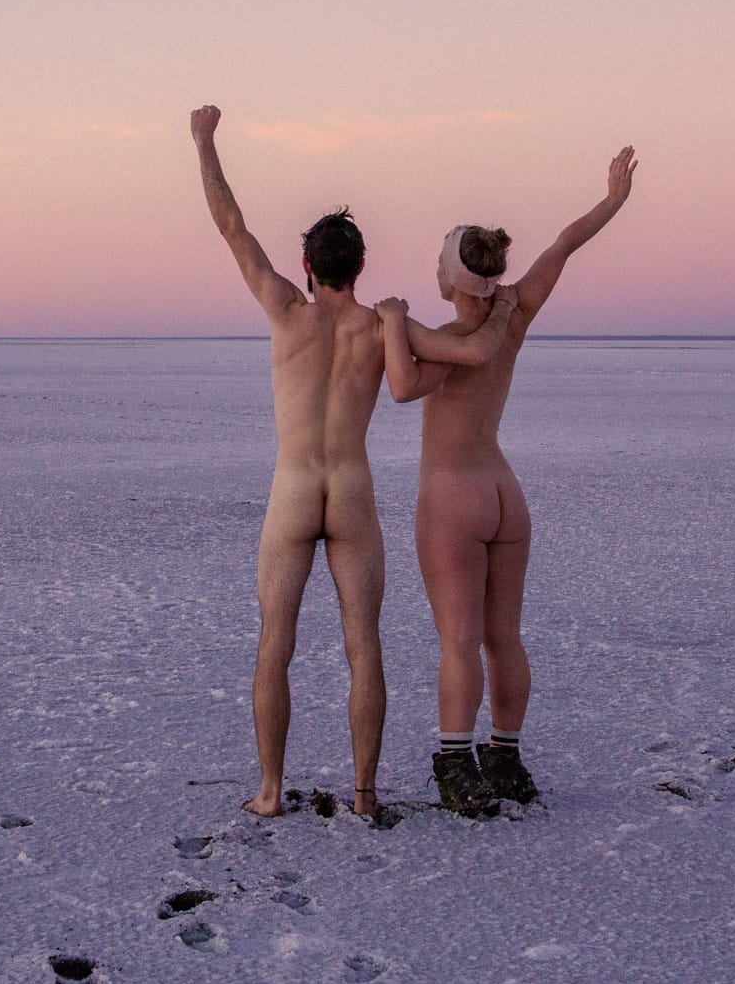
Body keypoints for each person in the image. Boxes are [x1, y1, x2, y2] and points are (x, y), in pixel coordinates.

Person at [190, 105, 517, 817]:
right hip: (352, 492)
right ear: (360, 266)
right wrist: (496, 306)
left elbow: (232, 226)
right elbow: (472, 351)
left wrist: (204, 139)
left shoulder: (285, 307)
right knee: (362, 646)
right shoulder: (380, 328)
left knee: (275, 641)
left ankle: (272, 791)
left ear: (307, 266)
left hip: (294, 489)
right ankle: (364, 794)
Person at [376, 146, 637, 814]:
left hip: (454, 497)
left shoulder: (445, 336)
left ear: (451, 280)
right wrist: (612, 198)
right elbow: (564, 245)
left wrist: (389, 325)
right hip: (505, 493)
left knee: (459, 640)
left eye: (440, 265)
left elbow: (402, 389)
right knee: (505, 637)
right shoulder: (514, 314)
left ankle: (457, 762)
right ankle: (507, 756)